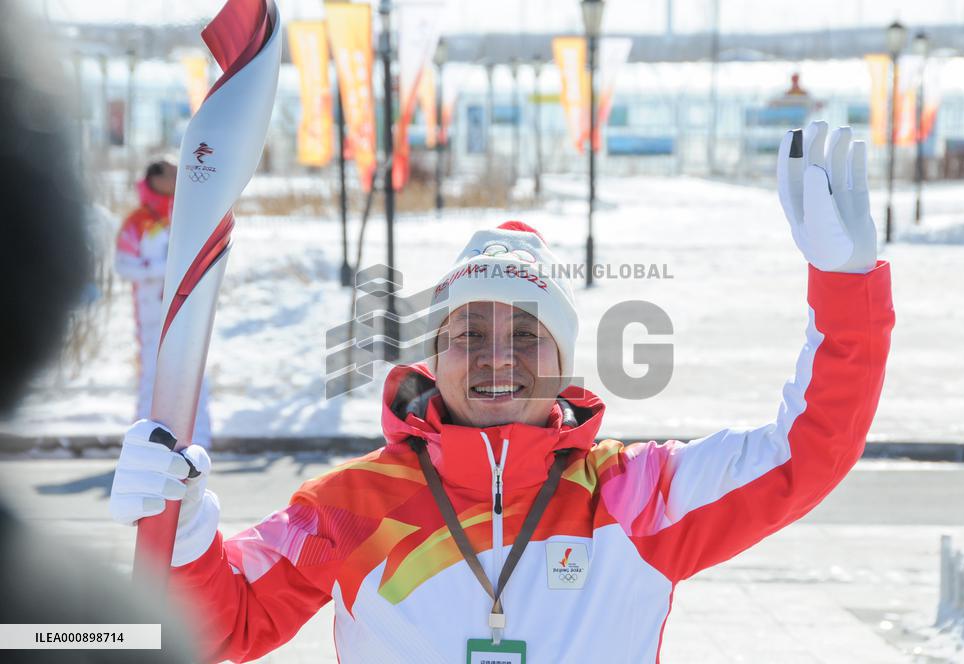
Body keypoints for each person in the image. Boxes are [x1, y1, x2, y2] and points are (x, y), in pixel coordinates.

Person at [110, 121, 894, 663]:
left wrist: (846, 284)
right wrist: (182, 540)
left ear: (563, 360)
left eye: (525, 334)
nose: (495, 357)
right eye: (467, 333)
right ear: (435, 353)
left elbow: (808, 451)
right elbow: (226, 627)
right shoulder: (350, 508)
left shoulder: (633, 497)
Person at [0, 2, 194, 660]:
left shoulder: (179, 216)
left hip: (174, 314)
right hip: (148, 312)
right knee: (152, 385)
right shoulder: (98, 625)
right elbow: (128, 263)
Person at [115, 159, 212, 446]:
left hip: (188, 310)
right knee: (153, 378)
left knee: (194, 373)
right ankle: (144, 443)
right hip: (152, 314)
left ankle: (197, 440)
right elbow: (125, 266)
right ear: (155, 179)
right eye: (171, 174)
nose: (177, 177)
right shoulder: (137, 222)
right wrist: (164, 270)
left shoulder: (185, 215)